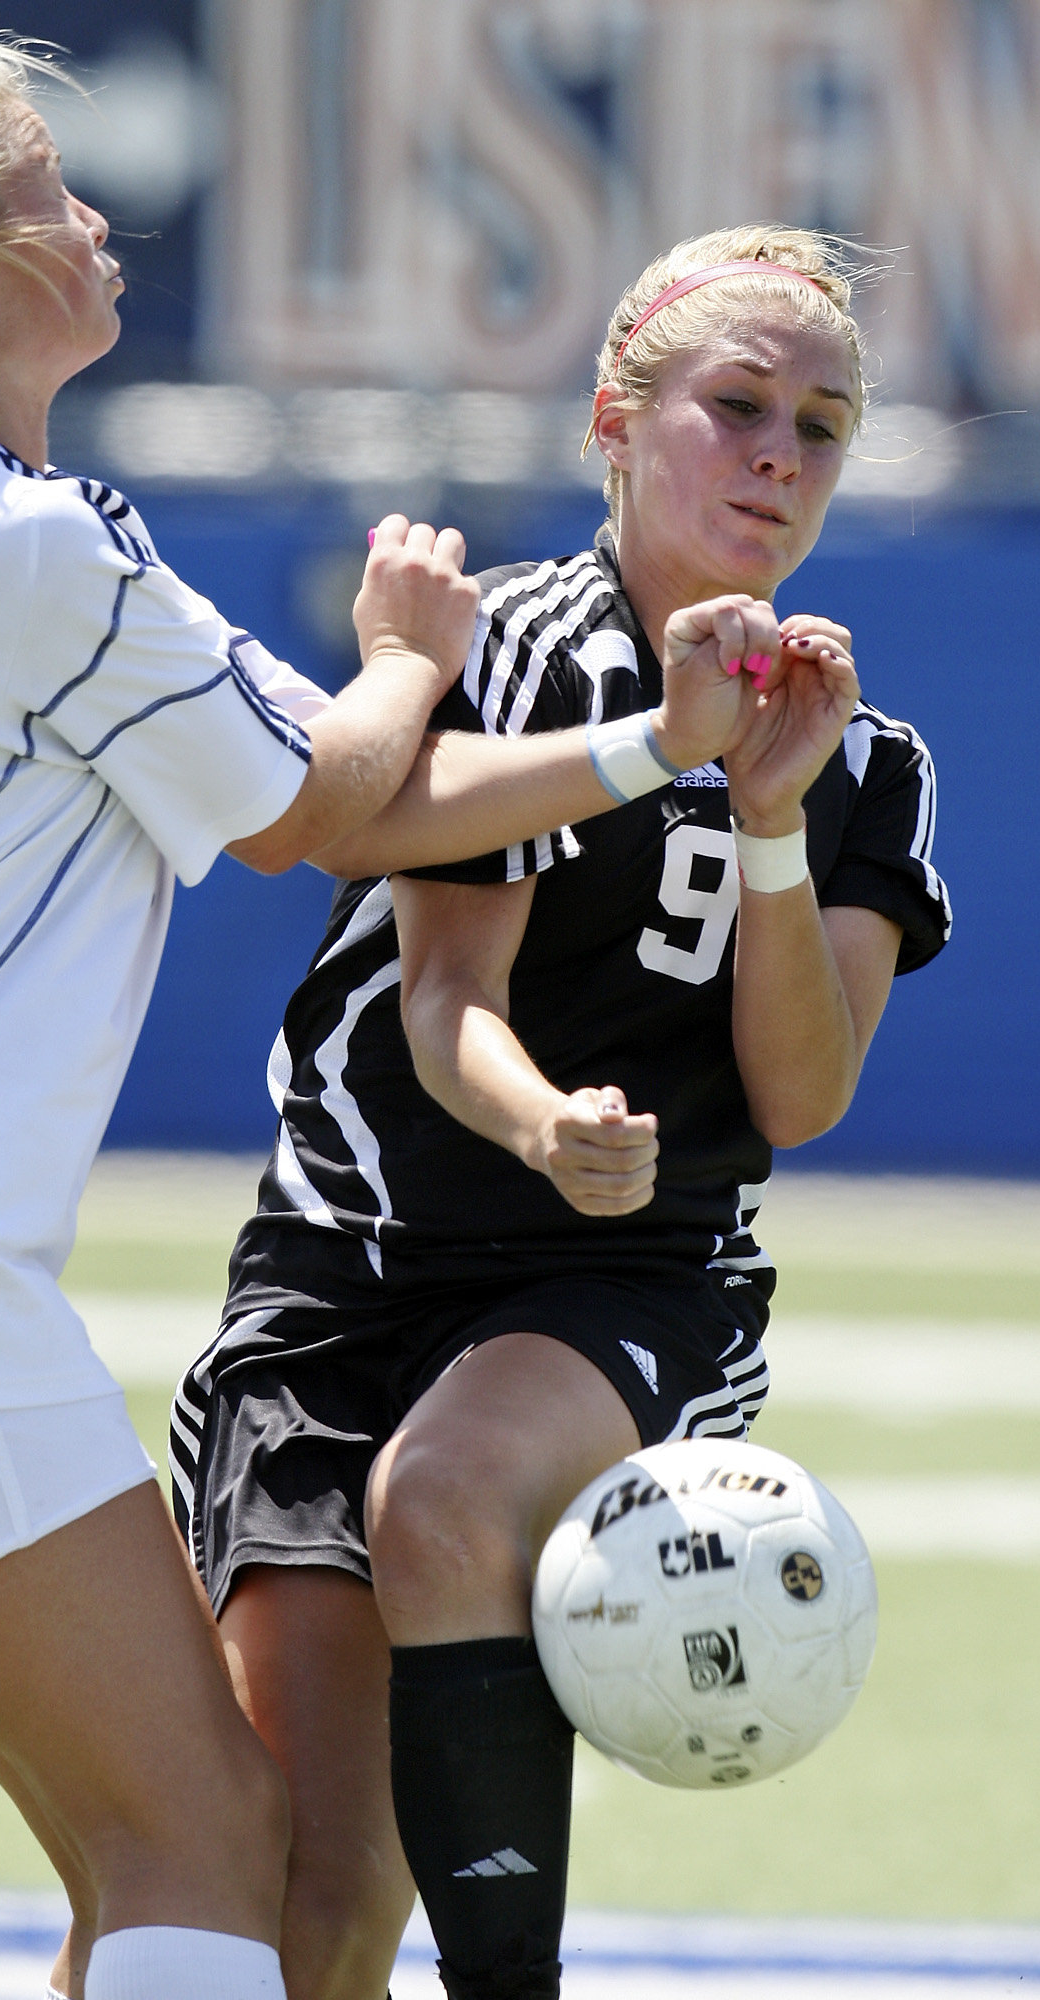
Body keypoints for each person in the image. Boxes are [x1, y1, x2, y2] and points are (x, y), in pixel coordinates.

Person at [0, 37, 755, 2000]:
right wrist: (424, 657)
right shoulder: (27, 545)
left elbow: (352, 791)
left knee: (158, 1859)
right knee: (208, 1845)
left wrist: (625, 740)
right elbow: (333, 804)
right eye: (47, 193)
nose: (94, 221)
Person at [171, 226, 952, 2000]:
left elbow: (800, 1095)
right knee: (313, 1898)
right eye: (736, 406)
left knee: (444, 1501)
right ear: (617, 416)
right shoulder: (521, 648)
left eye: (823, 426)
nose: (778, 455)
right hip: (348, 1266)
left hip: (628, 1269)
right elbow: (451, 1013)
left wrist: (768, 815)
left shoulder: (865, 755)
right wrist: (541, 1120)